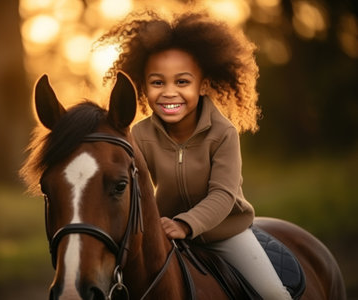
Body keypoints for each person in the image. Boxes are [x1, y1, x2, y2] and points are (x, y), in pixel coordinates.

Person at [96, 10, 292, 300]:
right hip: (166, 235)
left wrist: (185, 224)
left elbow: (223, 195)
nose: (169, 92)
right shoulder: (140, 135)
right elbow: (133, 191)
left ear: (202, 85)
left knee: (273, 294)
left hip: (226, 235)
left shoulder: (223, 133)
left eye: (182, 82)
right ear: (143, 86)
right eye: (158, 82)